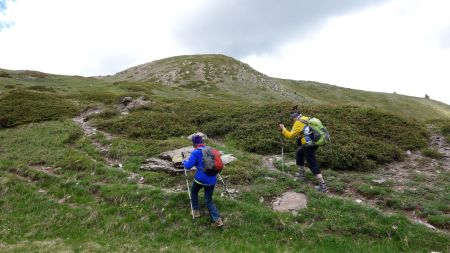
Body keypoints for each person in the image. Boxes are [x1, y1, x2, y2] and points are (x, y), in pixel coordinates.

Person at [279, 111, 328, 193]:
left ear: (294, 118)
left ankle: (323, 186)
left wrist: (283, 129)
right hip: (315, 142)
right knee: (299, 152)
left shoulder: (297, 123)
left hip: (308, 145)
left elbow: (290, 135)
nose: (292, 121)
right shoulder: (306, 118)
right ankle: (301, 173)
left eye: (292, 119)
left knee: (312, 163)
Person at [182, 135, 224, 227]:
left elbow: (188, 166)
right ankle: (217, 220)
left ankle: (196, 211)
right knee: (208, 200)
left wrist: (184, 162)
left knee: (194, 191)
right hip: (212, 178)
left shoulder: (196, 152)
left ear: (194, 144)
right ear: (202, 143)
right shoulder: (210, 150)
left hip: (200, 178)